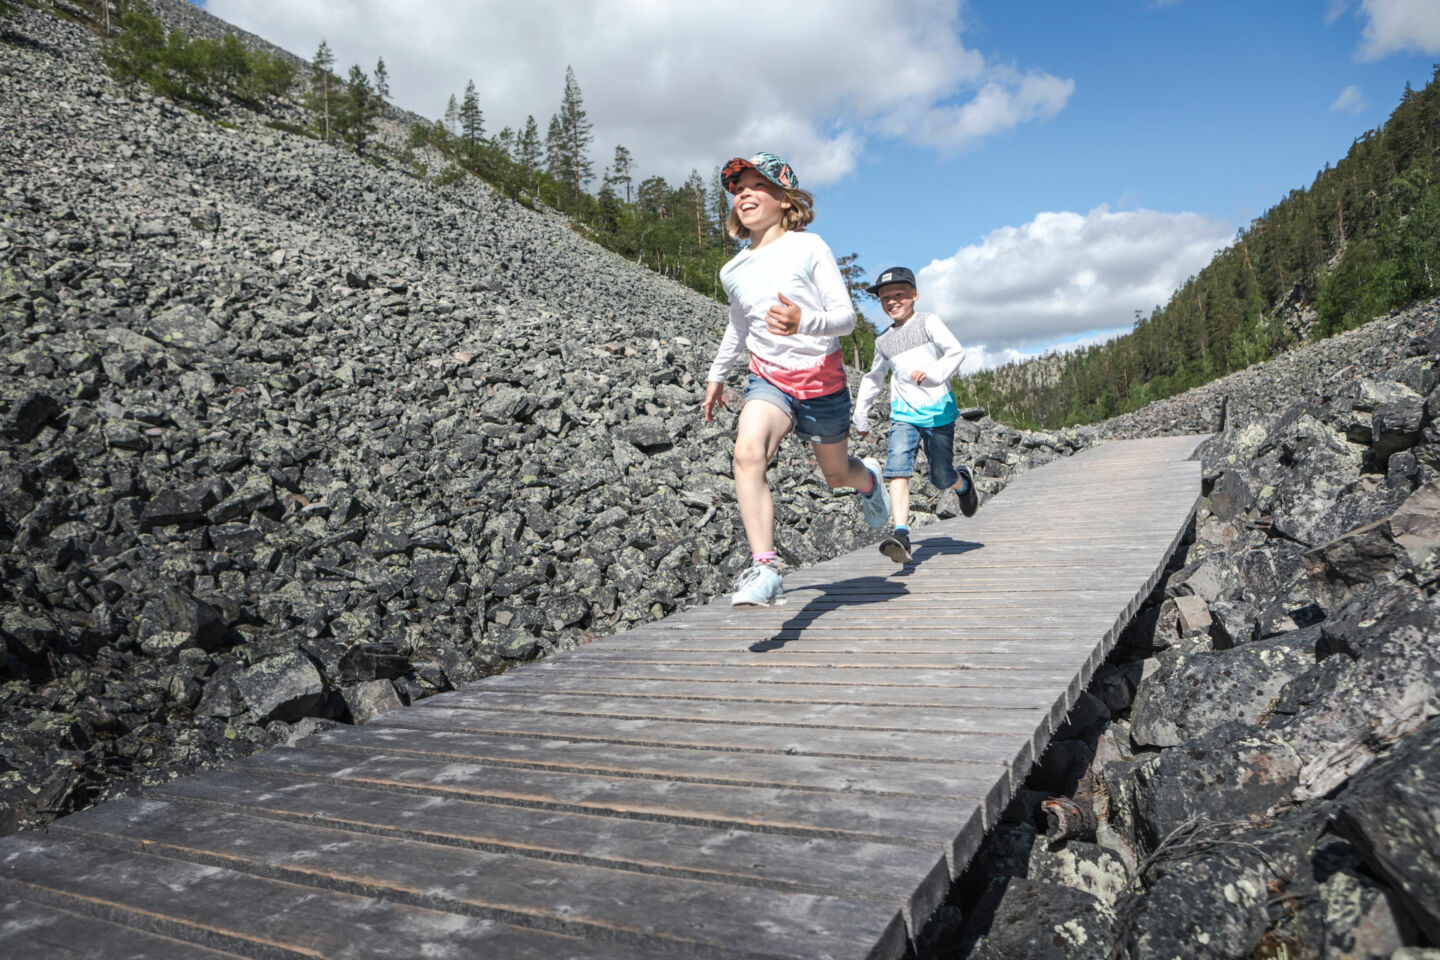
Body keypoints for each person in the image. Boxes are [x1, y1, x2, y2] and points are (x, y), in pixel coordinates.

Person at [702, 152, 890, 607]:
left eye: (756, 185)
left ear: (786, 199)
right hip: (769, 380)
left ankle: (868, 481)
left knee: (835, 474)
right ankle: (765, 569)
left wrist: (801, 320)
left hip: (821, 382)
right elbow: (739, 325)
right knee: (747, 453)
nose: (744, 193)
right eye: (737, 188)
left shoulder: (811, 247)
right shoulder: (734, 269)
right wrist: (717, 375)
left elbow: (846, 318)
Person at [851, 266, 978, 564]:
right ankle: (901, 534)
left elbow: (955, 352)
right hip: (904, 414)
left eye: (899, 295)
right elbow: (874, 378)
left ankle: (963, 483)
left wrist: (934, 376)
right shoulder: (884, 341)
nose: (892, 302)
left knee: (941, 477)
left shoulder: (928, 322)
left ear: (914, 295)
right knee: (897, 467)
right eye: (885, 298)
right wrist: (861, 413)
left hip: (938, 411)